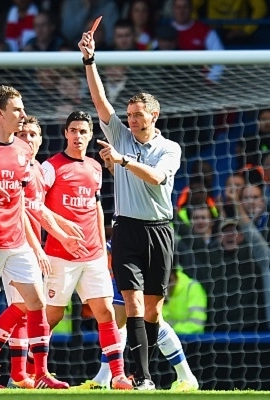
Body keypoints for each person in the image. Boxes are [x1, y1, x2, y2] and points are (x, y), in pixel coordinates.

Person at [80, 29, 182, 390]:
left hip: (160, 230)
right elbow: (99, 100)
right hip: (126, 229)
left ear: (154, 115)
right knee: (134, 304)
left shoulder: (170, 148)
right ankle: (142, 377)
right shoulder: (120, 133)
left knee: (154, 309)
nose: (133, 120)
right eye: (130, 115)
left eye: (139, 114)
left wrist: (122, 161)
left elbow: (155, 179)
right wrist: (89, 60)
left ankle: (151, 370)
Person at [0, 85, 68, 389]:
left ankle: (41, 374)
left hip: (17, 241)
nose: (22, 114)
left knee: (36, 303)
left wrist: (34, 243)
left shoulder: (23, 152)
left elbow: (22, 203)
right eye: (17, 109)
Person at [0, 115, 87, 389]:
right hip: (15, 246)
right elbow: (20, 213)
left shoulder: (38, 169)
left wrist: (63, 226)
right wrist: (37, 246)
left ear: (41, 139)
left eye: (33, 135)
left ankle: (19, 374)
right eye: (24, 134)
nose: (28, 139)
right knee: (23, 306)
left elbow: (38, 209)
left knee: (26, 310)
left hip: (27, 247)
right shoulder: (17, 168)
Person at [39, 111, 132, 390]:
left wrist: (103, 251)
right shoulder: (50, 167)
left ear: (91, 134)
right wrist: (62, 235)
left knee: (106, 312)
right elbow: (36, 207)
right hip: (60, 254)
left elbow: (97, 210)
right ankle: (34, 372)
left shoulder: (95, 167)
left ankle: (118, 375)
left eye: (83, 131)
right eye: (73, 130)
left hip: (93, 255)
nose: (78, 136)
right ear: (65, 133)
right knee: (51, 316)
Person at [74, 240, 200, 391]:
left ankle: (185, 376)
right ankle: (103, 378)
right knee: (117, 319)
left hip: (141, 243)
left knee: (150, 317)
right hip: (125, 244)